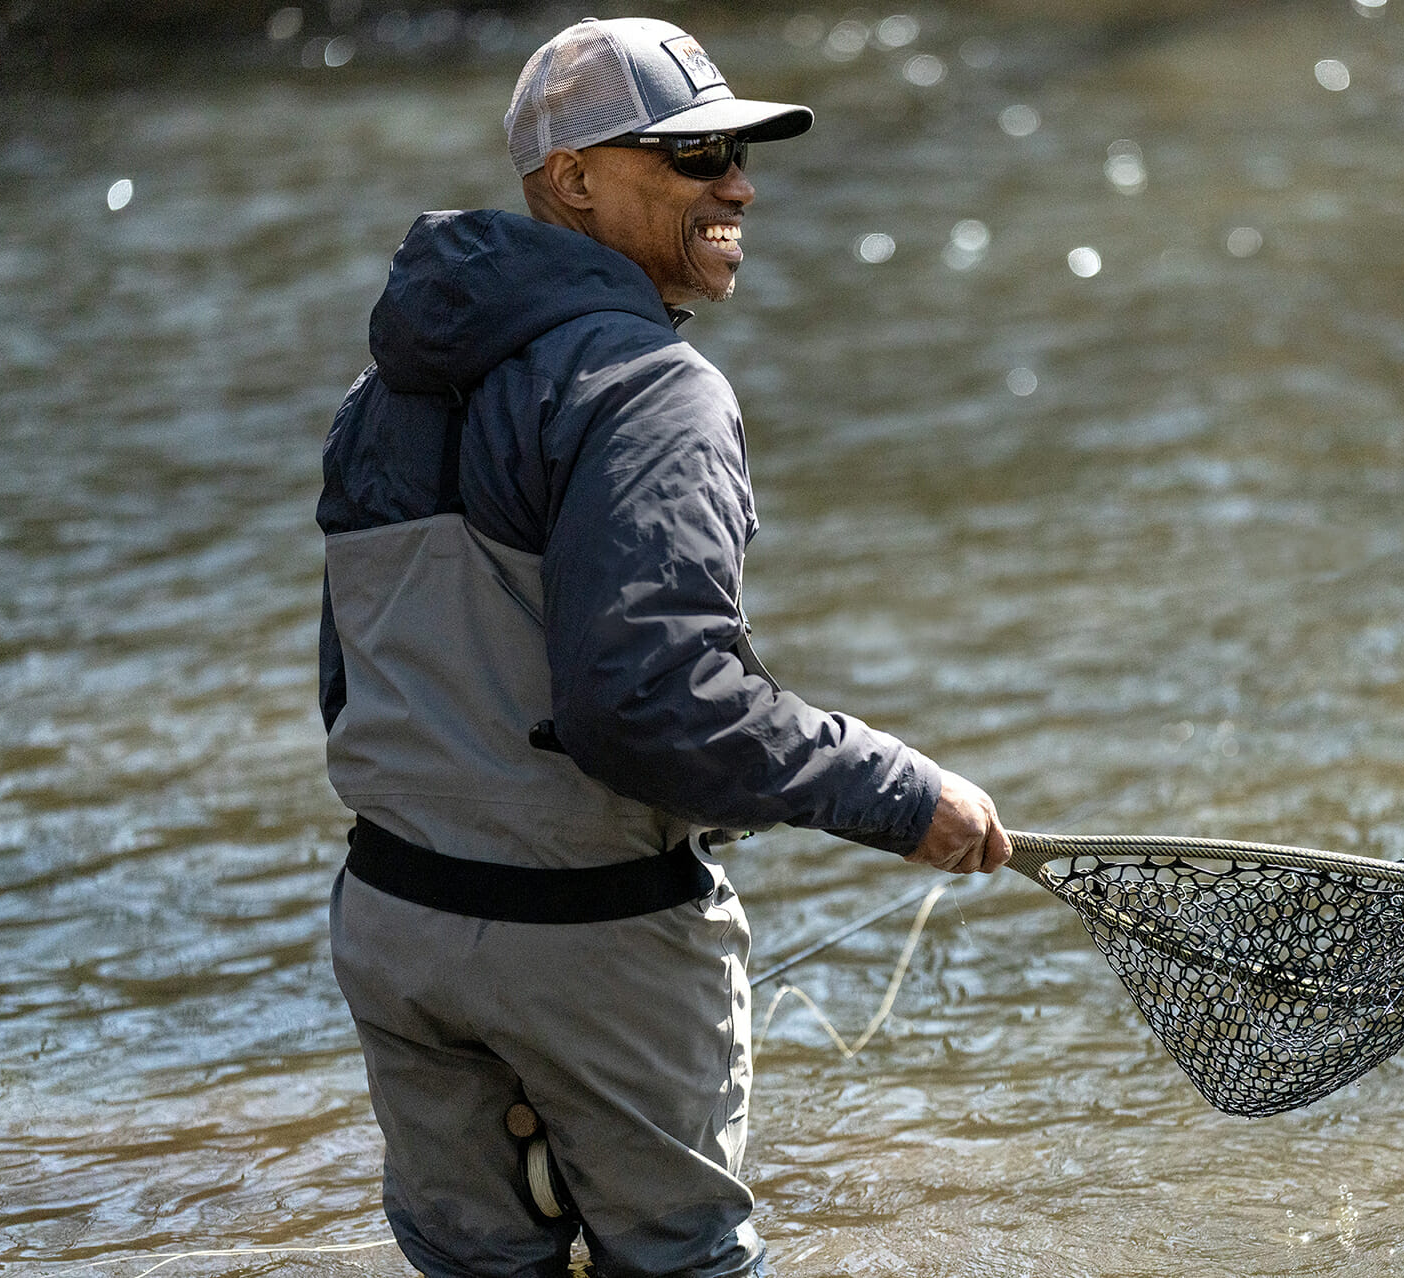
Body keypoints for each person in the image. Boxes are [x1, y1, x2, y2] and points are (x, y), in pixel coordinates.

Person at [316, 17, 1012, 1277]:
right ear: (572, 180)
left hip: (391, 923)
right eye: (692, 157)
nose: (738, 182)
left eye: (738, 153)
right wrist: (901, 791)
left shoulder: (381, 392)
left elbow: (348, 680)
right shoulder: (649, 385)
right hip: (591, 940)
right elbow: (651, 699)